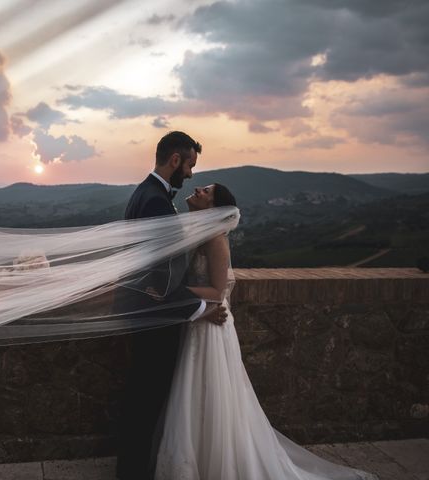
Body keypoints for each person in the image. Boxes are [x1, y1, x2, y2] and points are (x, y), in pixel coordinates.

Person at [154, 184, 378, 480]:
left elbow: (217, 290)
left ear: (215, 206)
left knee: (211, 394)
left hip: (211, 326)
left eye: (206, 191)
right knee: (193, 395)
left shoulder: (215, 239)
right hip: (199, 321)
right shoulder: (200, 234)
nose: (198, 188)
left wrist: (173, 293)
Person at [115, 131, 227, 480]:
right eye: (190, 165)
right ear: (175, 160)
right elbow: (158, 282)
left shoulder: (145, 193)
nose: (192, 176)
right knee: (146, 402)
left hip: (146, 317)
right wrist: (200, 309)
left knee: (141, 401)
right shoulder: (156, 202)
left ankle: (132, 469)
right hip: (155, 322)